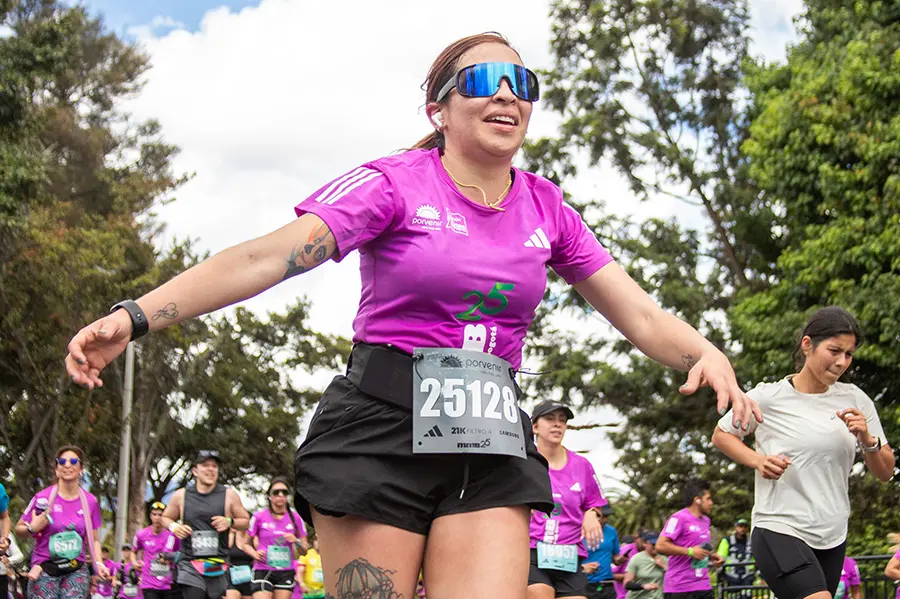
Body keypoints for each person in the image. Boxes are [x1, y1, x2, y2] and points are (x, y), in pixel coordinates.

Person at [64, 31, 760, 599]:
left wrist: (704, 350)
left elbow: (635, 310)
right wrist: (135, 316)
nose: (509, 96)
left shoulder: (548, 207)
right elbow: (264, 258)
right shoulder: (392, 182)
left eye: (524, 84)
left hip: (488, 439)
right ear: (439, 109)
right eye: (486, 82)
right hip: (379, 428)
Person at [713, 307, 894, 599]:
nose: (841, 362)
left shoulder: (856, 399)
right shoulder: (769, 397)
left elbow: (885, 472)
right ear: (807, 345)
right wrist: (757, 460)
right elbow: (722, 434)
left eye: (848, 354)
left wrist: (867, 439)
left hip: (832, 534)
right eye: (834, 350)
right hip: (779, 526)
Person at [528, 401, 607, 599]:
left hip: (569, 556)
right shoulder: (524, 462)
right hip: (531, 551)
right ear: (534, 426)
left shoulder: (582, 465)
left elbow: (596, 503)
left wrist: (591, 513)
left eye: (562, 421)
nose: (557, 425)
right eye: (550, 419)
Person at [15, 445, 109, 599]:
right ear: (57, 469)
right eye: (62, 462)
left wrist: (99, 564)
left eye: (73, 461)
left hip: (75, 570)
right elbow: (19, 530)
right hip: (45, 570)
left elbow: (94, 540)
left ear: (81, 469)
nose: (67, 465)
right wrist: (32, 527)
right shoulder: (43, 498)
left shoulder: (90, 501)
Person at [159, 451, 250, 599]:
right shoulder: (181, 495)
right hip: (190, 562)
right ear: (195, 471)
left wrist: (229, 522)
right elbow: (165, 518)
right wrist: (175, 527)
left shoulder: (229, 495)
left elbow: (245, 522)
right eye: (205, 465)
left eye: (214, 466)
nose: (210, 469)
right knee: (195, 594)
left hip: (217, 564)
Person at [655, 479, 722, 599]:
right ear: (697, 499)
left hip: (703, 586)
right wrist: (690, 552)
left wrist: (711, 556)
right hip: (680, 588)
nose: (711, 503)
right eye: (708, 498)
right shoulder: (678, 518)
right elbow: (660, 545)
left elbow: (696, 548)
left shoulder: (706, 521)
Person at [243, 478, 306, 599]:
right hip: (263, 568)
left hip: (285, 571)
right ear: (269, 496)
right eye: (276, 492)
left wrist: (296, 541)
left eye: (284, 492)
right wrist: (255, 554)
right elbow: (245, 544)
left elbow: (305, 550)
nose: (280, 495)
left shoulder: (296, 518)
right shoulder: (258, 516)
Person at [133, 502, 181, 599]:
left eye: (160, 515)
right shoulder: (141, 534)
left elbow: (180, 554)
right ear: (150, 516)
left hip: (168, 584)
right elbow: (133, 551)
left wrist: (170, 558)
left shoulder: (173, 535)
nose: (157, 518)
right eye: (154, 514)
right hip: (149, 583)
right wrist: (135, 563)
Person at [583, 505, 622, 599]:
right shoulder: (578, 530)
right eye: (602, 516)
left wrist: (619, 559)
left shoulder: (611, 531)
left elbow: (615, 556)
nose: (605, 520)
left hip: (606, 582)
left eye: (607, 517)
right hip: (584, 582)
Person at [716, 519, 754, 597]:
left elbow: (756, 557)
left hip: (747, 576)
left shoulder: (752, 542)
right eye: (740, 526)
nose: (742, 529)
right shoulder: (727, 541)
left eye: (745, 527)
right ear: (735, 527)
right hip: (732, 576)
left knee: (747, 595)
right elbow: (720, 557)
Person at [623, 531, 666, 599]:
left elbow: (673, 580)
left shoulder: (664, 559)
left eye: (657, 544)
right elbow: (626, 584)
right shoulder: (636, 559)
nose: (655, 546)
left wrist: (664, 566)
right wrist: (644, 586)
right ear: (645, 544)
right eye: (653, 544)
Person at [613, 533, 645, 599]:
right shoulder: (626, 550)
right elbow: (611, 575)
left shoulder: (651, 552)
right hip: (625, 596)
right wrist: (629, 576)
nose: (644, 544)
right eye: (643, 540)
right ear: (636, 538)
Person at [225, 529, 254, 599]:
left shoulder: (254, 536)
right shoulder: (231, 535)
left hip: (250, 577)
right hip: (232, 576)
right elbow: (224, 552)